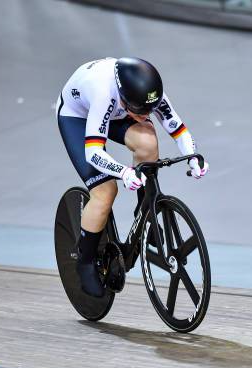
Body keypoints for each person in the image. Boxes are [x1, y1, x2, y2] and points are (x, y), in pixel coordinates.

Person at [56, 57, 209, 297]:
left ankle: (145, 211)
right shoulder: (103, 92)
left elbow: (178, 128)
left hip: (117, 111)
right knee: (106, 192)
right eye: (140, 112)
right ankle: (84, 261)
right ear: (125, 99)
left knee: (147, 141)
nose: (145, 116)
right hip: (78, 116)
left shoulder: (148, 93)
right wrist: (124, 172)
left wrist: (193, 156)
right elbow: (93, 153)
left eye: (149, 109)